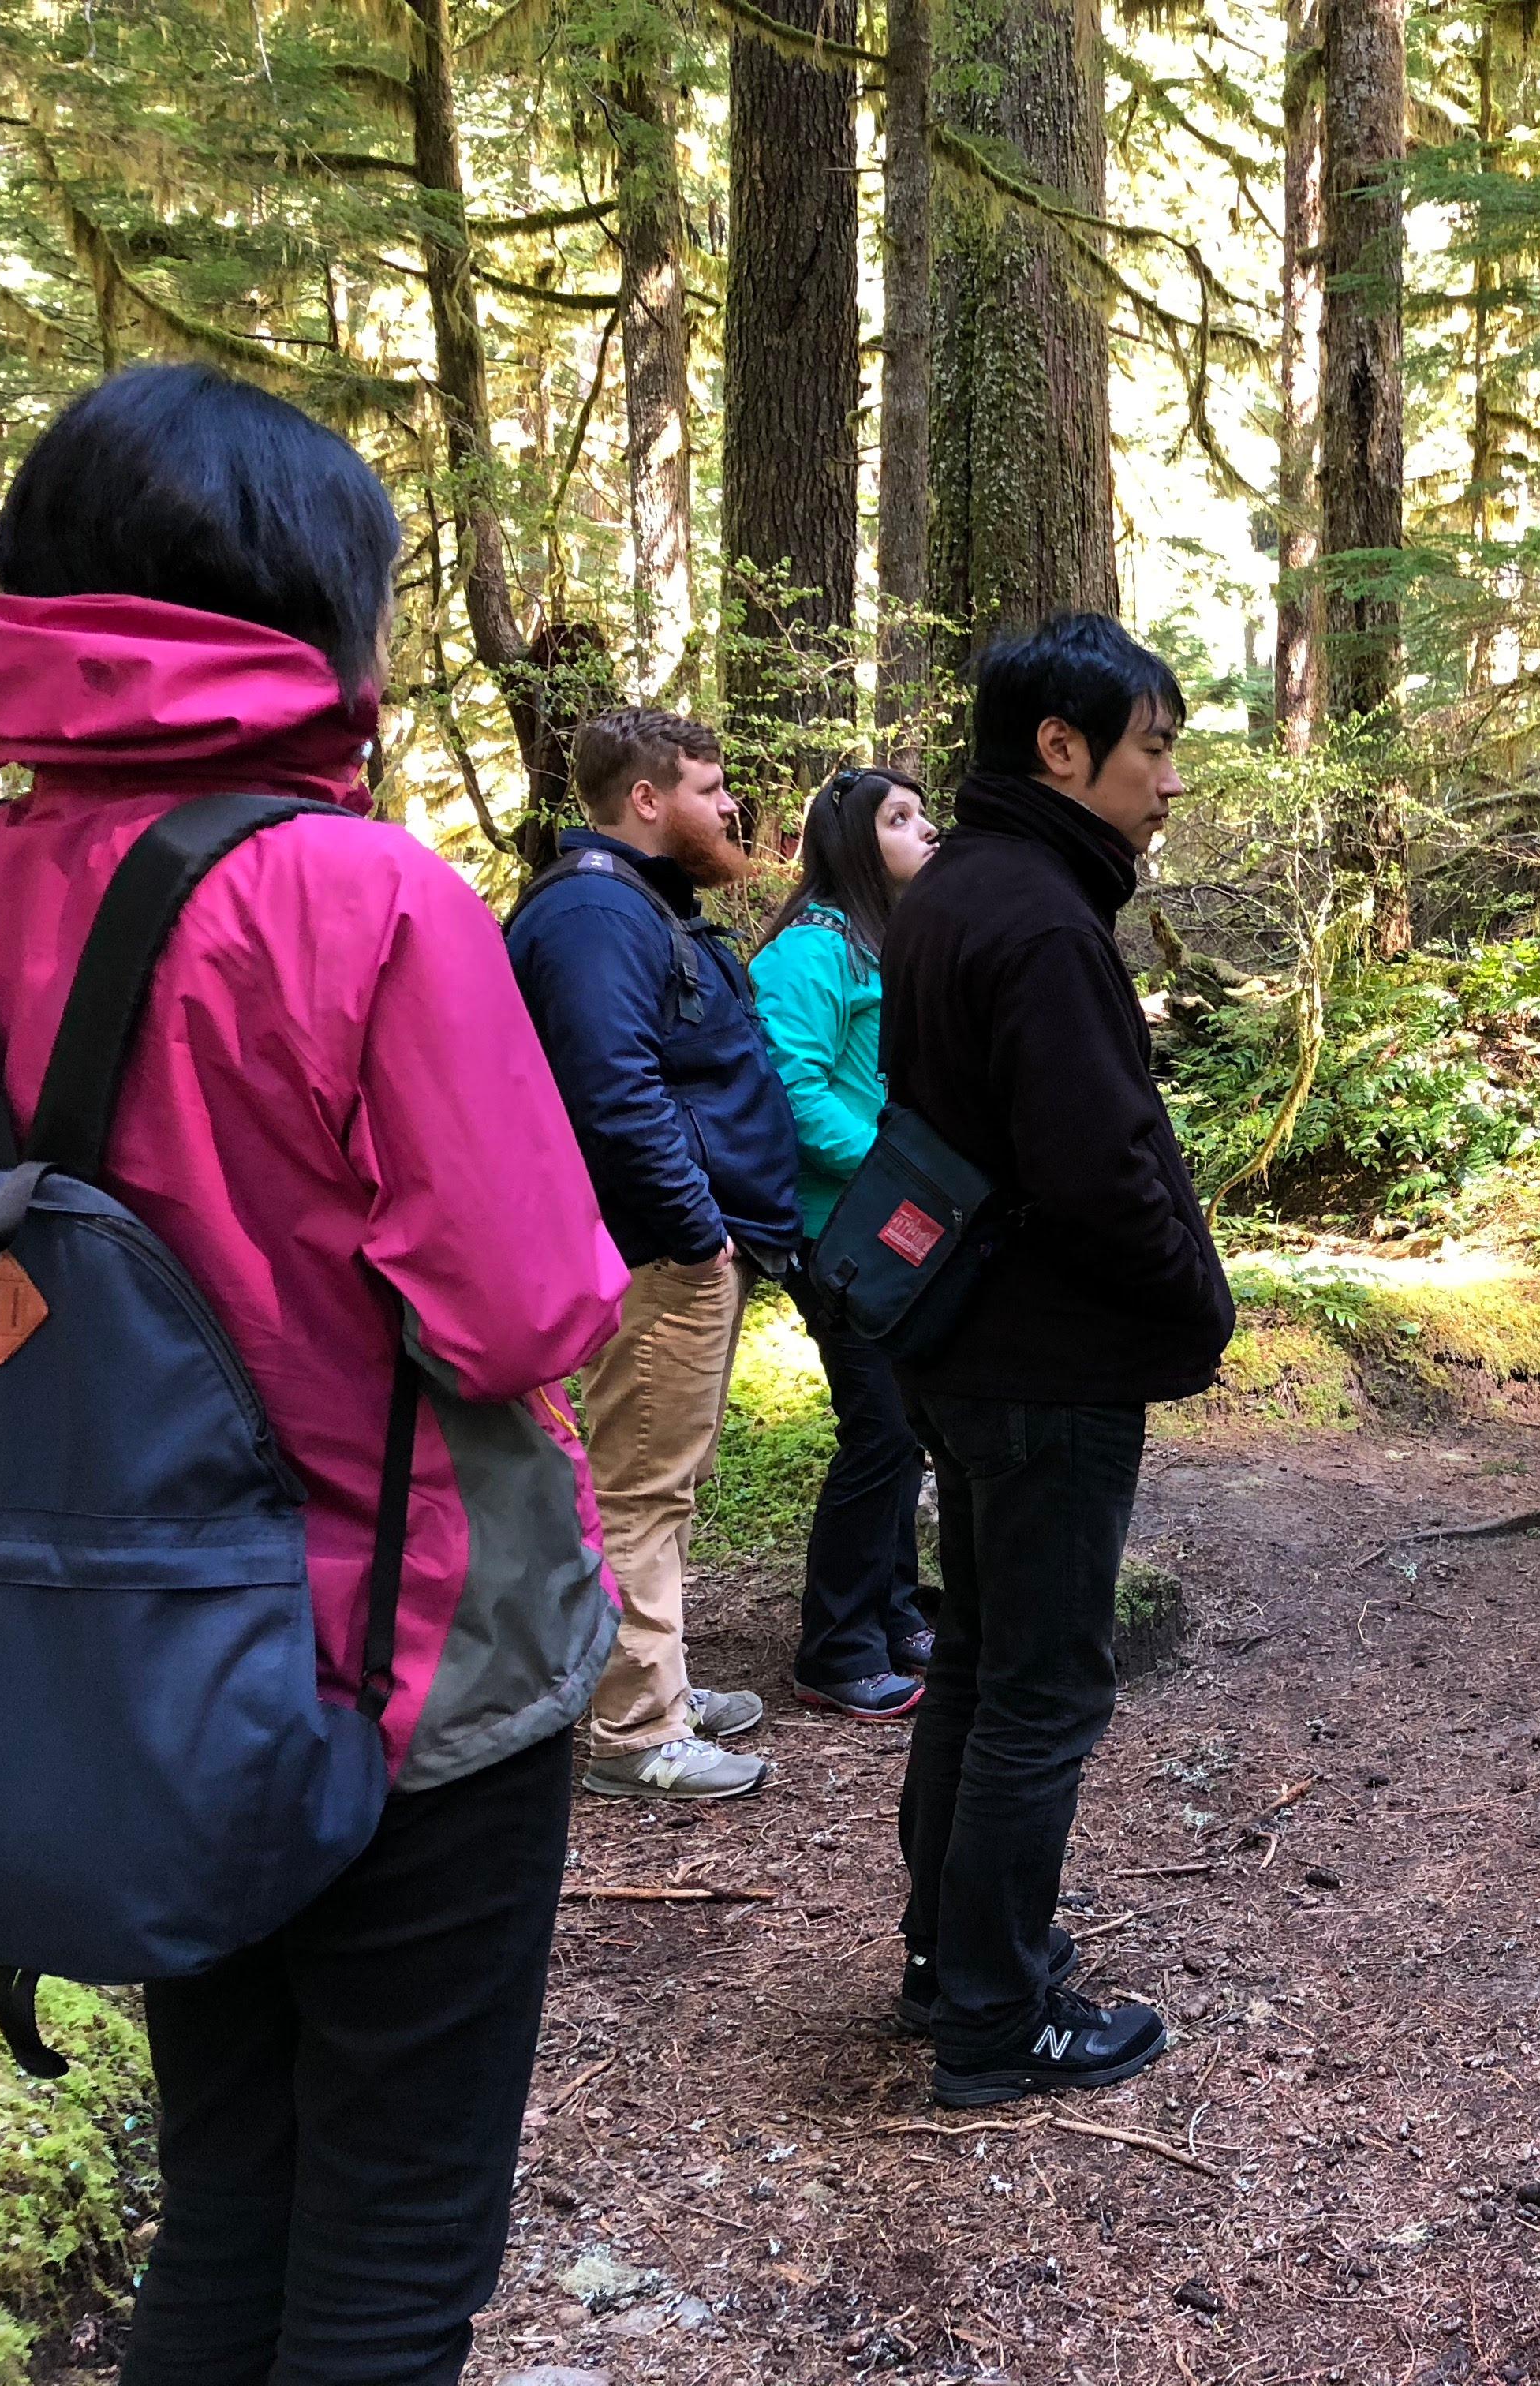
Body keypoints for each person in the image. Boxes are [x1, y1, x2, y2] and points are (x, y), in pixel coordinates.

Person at [0, 365, 630, 2385]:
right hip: (408, 1672)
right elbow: (522, 1310)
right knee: (393, 2245)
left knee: (230, 2190)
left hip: (108, 1663)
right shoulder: (361, 896)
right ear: (312, 613)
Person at [881, 613, 1235, 2107]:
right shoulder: (1035, 916)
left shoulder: (963, 886)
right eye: (1153, 749)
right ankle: (994, 2014)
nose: (1167, 784)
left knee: (975, 1660)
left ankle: (948, 1953)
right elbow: (1097, 1167)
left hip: (968, 1343)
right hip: (1043, 1365)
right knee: (1039, 1688)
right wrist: (1193, 1305)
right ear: (1061, 747)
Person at [507, 709, 805, 1800]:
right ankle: (635, 1728)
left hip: (673, 1252)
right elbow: (611, 1095)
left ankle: (655, 1679)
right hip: (653, 1256)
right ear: (647, 800)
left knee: (661, 1481)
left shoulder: (632, 905)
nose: (732, 806)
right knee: (638, 1486)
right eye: (713, 786)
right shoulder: (594, 911)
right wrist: (697, 1235)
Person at [749, 765, 943, 1720]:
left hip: (890, 1228)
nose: (926, 830)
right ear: (853, 844)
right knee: (880, 1431)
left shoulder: (880, 943)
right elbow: (793, 1089)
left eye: (923, 813)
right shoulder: (813, 948)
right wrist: (893, 1172)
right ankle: (833, 1647)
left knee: (904, 1426)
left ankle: (898, 1614)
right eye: (900, 820)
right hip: (839, 1230)